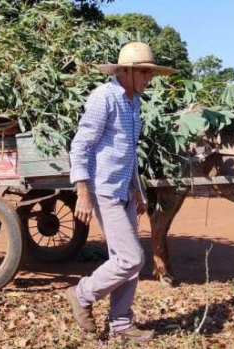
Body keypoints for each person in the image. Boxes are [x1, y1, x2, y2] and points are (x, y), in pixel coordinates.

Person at [65, 42, 175, 342]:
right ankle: (82, 294)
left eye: (150, 73)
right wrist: (83, 191)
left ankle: (121, 324)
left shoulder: (134, 101)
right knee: (131, 258)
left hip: (124, 189)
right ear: (124, 71)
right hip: (104, 189)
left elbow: (127, 152)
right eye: (143, 72)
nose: (148, 78)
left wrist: (137, 190)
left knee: (125, 260)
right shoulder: (104, 98)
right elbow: (81, 146)